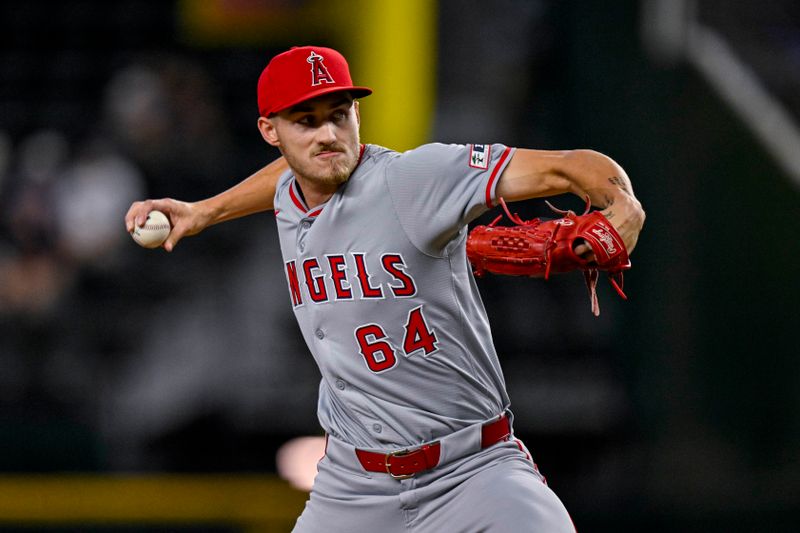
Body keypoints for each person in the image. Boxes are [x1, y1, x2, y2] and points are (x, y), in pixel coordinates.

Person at [126, 45, 645, 532]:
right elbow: (287, 176)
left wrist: (622, 205)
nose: (327, 134)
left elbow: (570, 166)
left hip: (474, 470)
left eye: (339, 114)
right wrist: (201, 212)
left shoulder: (413, 179)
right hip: (353, 486)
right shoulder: (290, 191)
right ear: (270, 131)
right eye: (306, 121)